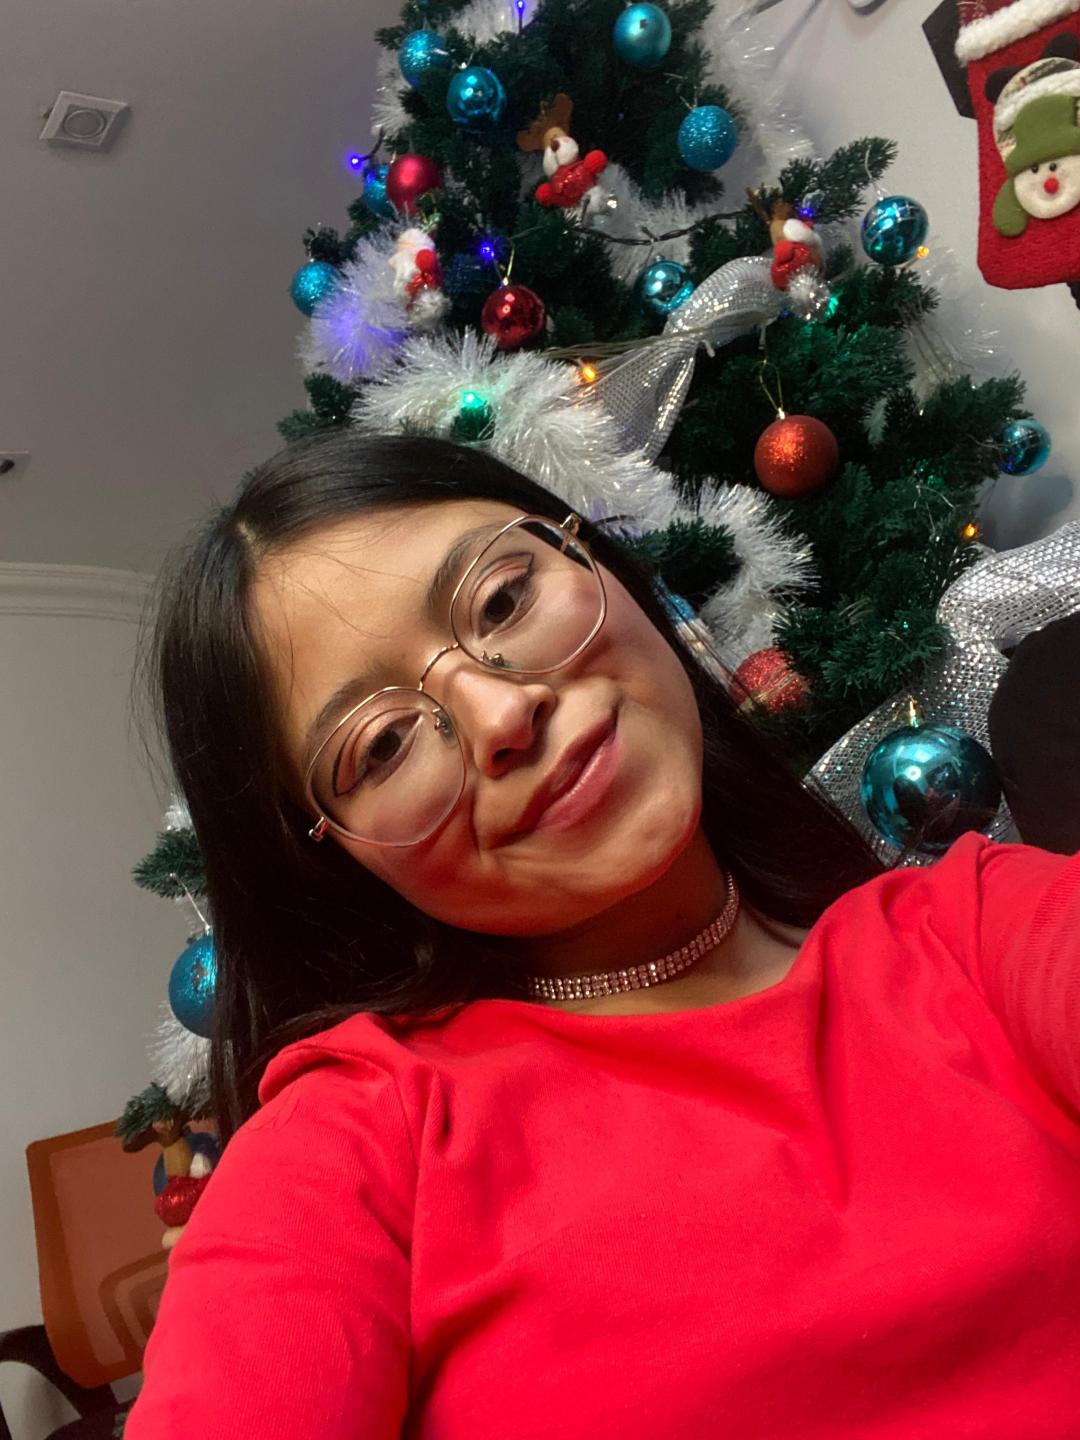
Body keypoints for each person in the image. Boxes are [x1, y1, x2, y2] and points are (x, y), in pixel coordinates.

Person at [126, 431, 1080, 1439]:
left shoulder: (976, 933)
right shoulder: (350, 1148)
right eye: (384, 745)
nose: (503, 714)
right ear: (341, 858)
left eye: (503, 599)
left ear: (601, 564)